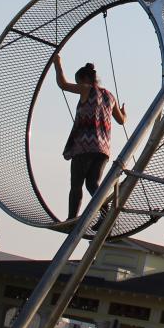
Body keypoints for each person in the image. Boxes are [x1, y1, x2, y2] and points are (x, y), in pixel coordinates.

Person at [53, 54, 127, 222]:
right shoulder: (110, 96)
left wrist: (57, 63)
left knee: (77, 184)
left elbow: (62, 84)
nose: (78, 86)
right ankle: (105, 215)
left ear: (85, 79)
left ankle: (71, 219)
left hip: (84, 147)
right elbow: (121, 120)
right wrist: (125, 114)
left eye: (78, 82)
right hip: (103, 149)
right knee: (93, 184)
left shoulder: (87, 89)